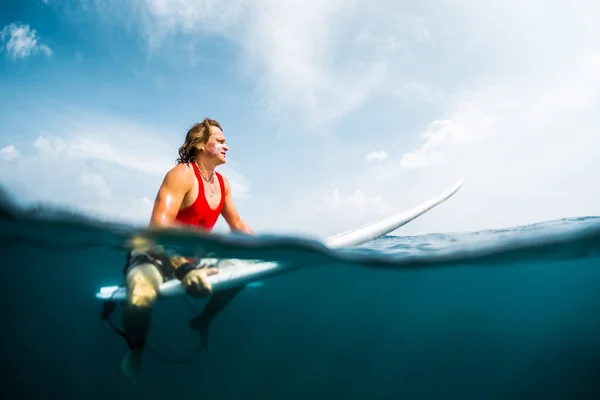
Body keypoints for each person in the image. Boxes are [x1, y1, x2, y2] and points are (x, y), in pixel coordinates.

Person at [120, 118, 253, 382]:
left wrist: (261, 256)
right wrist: (184, 269)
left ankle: (203, 320)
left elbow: (238, 225)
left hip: (192, 259)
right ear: (201, 144)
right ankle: (135, 350)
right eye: (221, 141)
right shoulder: (181, 175)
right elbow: (158, 230)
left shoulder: (223, 185)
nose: (227, 146)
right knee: (141, 296)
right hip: (155, 255)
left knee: (244, 273)